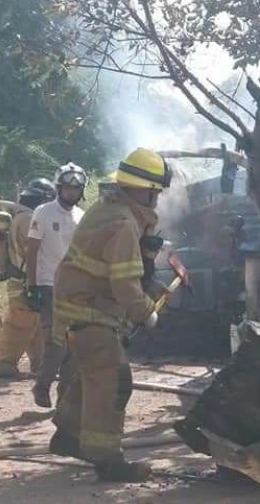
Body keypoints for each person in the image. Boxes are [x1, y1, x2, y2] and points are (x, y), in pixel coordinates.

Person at [50, 148, 171, 482]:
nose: (157, 200)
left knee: (90, 373)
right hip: (91, 310)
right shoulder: (122, 224)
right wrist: (147, 312)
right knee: (113, 381)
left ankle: (68, 437)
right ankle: (108, 461)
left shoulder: (108, 208)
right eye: (156, 192)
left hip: (78, 306)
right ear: (145, 189)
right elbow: (123, 282)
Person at [27, 163, 87, 407]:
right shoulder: (43, 212)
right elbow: (32, 252)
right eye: (67, 188)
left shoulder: (81, 216)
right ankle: (42, 388)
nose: (71, 192)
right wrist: (32, 287)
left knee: (75, 344)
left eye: (76, 189)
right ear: (59, 188)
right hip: (48, 284)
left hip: (74, 288)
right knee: (56, 344)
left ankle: (65, 397)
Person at [0, 179, 56, 378]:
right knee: (19, 324)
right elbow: (35, 253)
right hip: (27, 282)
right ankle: (5, 364)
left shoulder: (20, 217)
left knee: (35, 325)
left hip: (24, 281)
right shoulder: (29, 220)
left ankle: (41, 364)